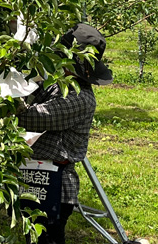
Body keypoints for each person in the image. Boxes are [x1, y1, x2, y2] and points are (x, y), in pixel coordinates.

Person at [15, 23, 113, 244]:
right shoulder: (59, 86)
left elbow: (32, 117)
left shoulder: (78, 98)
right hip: (37, 178)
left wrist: (7, 99)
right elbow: (35, 92)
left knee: (48, 237)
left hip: (55, 185)